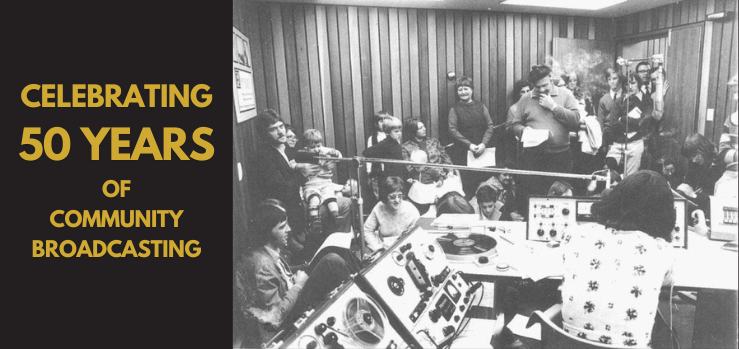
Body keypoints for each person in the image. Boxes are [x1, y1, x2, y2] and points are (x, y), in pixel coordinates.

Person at [560, 170, 675, 348]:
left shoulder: (575, 234)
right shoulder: (661, 250)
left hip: (569, 344)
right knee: (664, 327)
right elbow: (668, 281)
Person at [235, 203, 356, 347]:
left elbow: (278, 273)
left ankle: (360, 276)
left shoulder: (262, 251)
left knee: (338, 251)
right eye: (282, 227)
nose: (289, 229)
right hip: (283, 325)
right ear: (267, 232)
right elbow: (275, 318)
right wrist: (298, 285)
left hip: (288, 295)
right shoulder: (262, 265)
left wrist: (302, 270)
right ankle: (360, 290)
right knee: (332, 261)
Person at [252, 110, 351, 259]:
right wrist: (302, 174)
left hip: (299, 201)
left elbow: (301, 154)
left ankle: (330, 248)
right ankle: (331, 250)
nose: (280, 132)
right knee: (344, 204)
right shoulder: (265, 156)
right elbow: (282, 191)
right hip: (290, 211)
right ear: (264, 134)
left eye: (281, 126)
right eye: (273, 129)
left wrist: (323, 160)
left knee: (339, 201)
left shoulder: (284, 147)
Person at [508, 64, 581, 197]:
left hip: (560, 157)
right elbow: (515, 124)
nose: (541, 89)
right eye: (537, 86)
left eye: (545, 85)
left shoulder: (565, 94)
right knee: (536, 195)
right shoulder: (526, 99)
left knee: (561, 196)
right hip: (534, 158)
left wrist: (553, 106)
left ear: (551, 77)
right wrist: (523, 131)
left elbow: (576, 119)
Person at [448, 76, 496, 199]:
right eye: (460, 89)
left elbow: (490, 126)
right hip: (464, 152)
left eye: (466, 88)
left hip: (483, 150)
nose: (463, 92)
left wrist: (483, 144)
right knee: (468, 185)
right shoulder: (454, 110)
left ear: (472, 90)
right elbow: (453, 130)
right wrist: (470, 145)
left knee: (484, 182)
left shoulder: (481, 106)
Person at [604, 73, 656, 177]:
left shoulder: (647, 101)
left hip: (636, 143)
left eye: (633, 83)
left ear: (639, 83)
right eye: (627, 84)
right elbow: (614, 124)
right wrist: (634, 124)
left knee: (630, 177)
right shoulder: (619, 102)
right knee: (610, 165)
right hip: (619, 142)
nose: (630, 87)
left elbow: (643, 124)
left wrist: (623, 119)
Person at [402, 117, 457, 213]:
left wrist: (450, 171)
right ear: (413, 131)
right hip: (423, 182)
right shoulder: (405, 147)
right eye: (420, 128)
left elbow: (446, 158)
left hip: (442, 178)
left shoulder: (434, 141)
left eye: (424, 126)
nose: (424, 129)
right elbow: (409, 167)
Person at [300, 129, 344, 235]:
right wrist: (299, 166)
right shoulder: (302, 155)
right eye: (312, 147)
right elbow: (292, 163)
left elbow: (339, 156)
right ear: (306, 147)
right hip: (311, 185)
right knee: (314, 198)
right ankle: (314, 220)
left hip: (325, 183)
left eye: (318, 146)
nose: (316, 149)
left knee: (330, 196)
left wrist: (335, 154)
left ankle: (335, 215)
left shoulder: (323, 151)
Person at [363, 176, 420, 252]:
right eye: (392, 197)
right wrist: (377, 247)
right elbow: (367, 230)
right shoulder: (379, 207)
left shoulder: (411, 209)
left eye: (400, 196)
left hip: (404, 247)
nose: (397, 200)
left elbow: (418, 232)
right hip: (383, 245)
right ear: (385, 197)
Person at [678, 133, 723, 215]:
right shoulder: (694, 163)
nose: (693, 160)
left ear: (703, 149)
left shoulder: (721, 165)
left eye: (695, 155)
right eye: (690, 157)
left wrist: (693, 194)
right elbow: (689, 183)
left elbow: (717, 200)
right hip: (697, 207)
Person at [363, 115, 408, 182]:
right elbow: (366, 152)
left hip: (399, 175)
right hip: (390, 177)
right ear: (387, 133)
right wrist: (382, 157)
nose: (399, 133)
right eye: (396, 131)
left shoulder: (396, 143)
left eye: (400, 131)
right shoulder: (385, 143)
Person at [504, 80, 533, 164]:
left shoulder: (536, 105)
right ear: (518, 94)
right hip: (520, 145)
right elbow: (508, 128)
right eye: (523, 92)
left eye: (528, 91)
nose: (526, 93)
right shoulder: (513, 109)